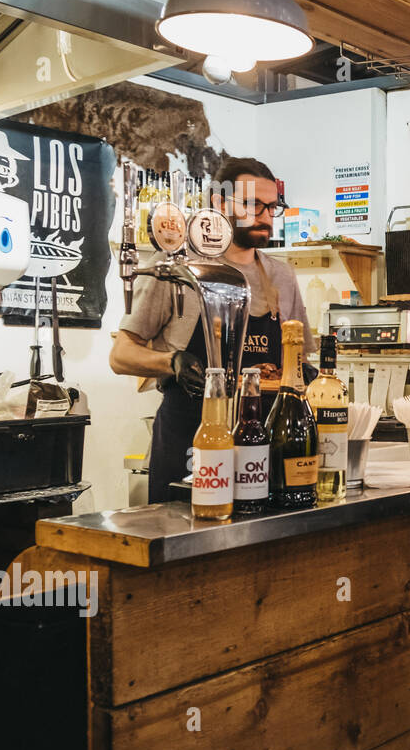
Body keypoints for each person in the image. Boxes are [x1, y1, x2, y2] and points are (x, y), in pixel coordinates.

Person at [110, 157, 315, 503]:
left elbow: (297, 357)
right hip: (188, 438)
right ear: (220, 203)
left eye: (272, 206)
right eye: (254, 205)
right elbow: (121, 355)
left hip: (260, 443)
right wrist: (172, 361)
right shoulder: (176, 266)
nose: (266, 216)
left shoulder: (282, 276)